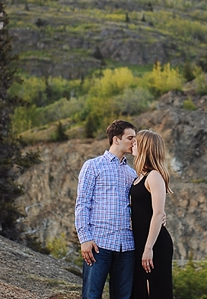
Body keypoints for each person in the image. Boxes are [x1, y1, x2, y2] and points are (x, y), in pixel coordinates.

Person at [75, 120, 138, 299]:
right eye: (130, 138)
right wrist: (85, 238)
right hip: (98, 245)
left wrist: (159, 214)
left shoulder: (132, 173)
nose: (134, 142)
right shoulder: (93, 166)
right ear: (116, 139)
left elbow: (138, 205)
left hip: (126, 246)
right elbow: (82, 203)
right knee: (91, 295)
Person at [130, 130, 174, 299]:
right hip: (140, 242)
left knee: (155, 291)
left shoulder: (154, 176)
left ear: (145, 147)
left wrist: (148, 248)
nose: (133, 144)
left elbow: (157, 214)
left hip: (154, 244)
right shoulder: (138, 177)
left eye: (136, 142)